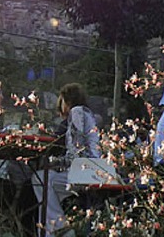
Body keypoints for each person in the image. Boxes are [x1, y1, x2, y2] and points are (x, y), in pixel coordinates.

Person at [33, 83, 100, 236]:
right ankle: (59, 228)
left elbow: (77, 151)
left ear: (67, 100)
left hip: (86, 170)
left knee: (39, 178)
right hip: (91, 169)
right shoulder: (86, 114)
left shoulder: (77, 112)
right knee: (46, 182)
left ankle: (58, 229)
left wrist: (55, 162)